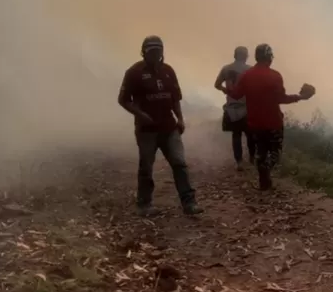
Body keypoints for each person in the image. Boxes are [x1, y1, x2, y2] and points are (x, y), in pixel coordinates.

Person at [118, 35, 203, 217]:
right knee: (146, 166)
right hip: (147, 130)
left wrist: (180, 118)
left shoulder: (168, 71)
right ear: (144, 52)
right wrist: (141, 115)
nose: (156, 54)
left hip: (169, 127)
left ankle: (189, 203)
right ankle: (144, 204)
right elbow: (123, 100)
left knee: (179, 163)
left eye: (158, 51)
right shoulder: (134, 72)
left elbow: (175, 98)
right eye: (152, 51)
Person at [219, 43, 315, 190]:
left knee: (261, 151)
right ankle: (266, 169)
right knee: (275, 153)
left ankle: (264, 181)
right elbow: (281, 98)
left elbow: (236, 95)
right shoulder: (275, 76)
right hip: (273, 122)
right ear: (269, 58)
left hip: (254, 123)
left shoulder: (247, 76)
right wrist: (300, 96)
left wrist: (228, 87)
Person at [214, 46, 255, 170]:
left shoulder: (226, 69)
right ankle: (252, 159)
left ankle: (239, 162)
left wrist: (226, 90)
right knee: (250, 135)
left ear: (234, 55)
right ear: (246, 56)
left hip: (232, 107)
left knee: (236, 135)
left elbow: (217, 85)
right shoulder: (250, 70)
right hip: (247, 107)